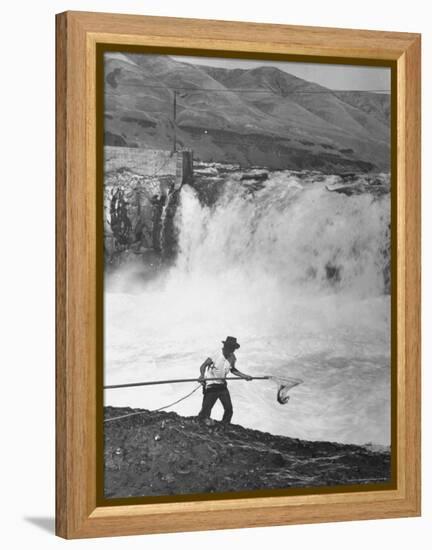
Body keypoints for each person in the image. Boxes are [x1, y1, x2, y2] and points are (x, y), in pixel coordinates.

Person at [197, 336, 253, 425]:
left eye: (232, 348)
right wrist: (202, 376)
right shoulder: (216, 354)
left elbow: (233, 369)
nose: (230, 350)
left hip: (222, 386)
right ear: (225, 346)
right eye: (229, 347)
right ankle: (202, 421)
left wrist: (244, 376)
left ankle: (225, 425)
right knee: (206, 409)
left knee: (229, 409)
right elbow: (203, 365)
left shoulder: (232, 357)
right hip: (211, 385)